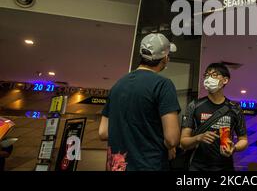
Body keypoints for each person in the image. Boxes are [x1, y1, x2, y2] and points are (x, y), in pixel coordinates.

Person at [99, 33, 181, 171]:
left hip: (116, 166)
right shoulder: (163, 85)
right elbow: (172, 139)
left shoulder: (117, 86)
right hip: (149, 165)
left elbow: (103, 132)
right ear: (165, 59)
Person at [180, 63, 248, 171]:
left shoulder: (235, 108)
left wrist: (234, 148)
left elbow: (243, 140)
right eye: (206, 75)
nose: (208, 78)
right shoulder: (194, 105)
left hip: (225, 166)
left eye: (214, 75)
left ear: (225, 80)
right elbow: (183, 142)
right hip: (198, 166)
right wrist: (198, 138)